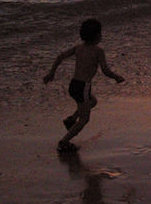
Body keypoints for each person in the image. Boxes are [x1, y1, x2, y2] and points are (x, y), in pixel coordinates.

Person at [43, 18, 125, 152]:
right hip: (83, 87)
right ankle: (64, 142)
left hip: (73, 85)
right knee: (84, 119)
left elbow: (60, 56)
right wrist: (116, 77)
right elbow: (105, 71)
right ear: (97, 36)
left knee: (93, 101)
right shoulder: (98, 51)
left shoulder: (78, 48)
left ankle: (71, 119)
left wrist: (51, 73)